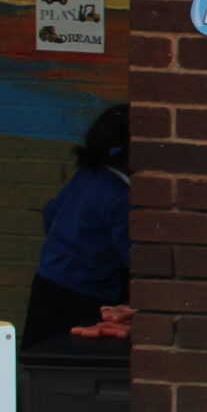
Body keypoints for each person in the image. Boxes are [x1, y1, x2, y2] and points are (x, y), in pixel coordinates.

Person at [26, 103, 129, 342]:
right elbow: (132, 254)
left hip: (49, 281)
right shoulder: (121, 197)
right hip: (87, 294)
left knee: (41, 355)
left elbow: (51, 212)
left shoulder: (87, 175)